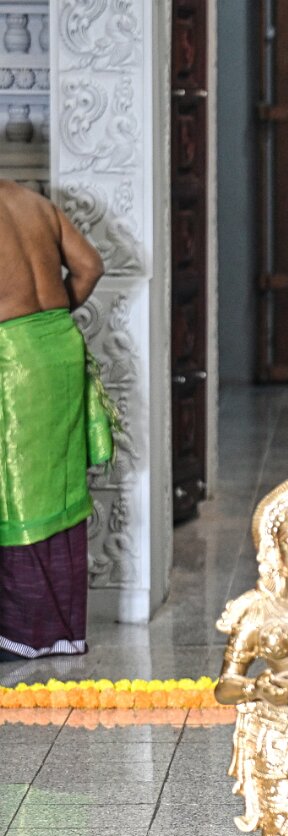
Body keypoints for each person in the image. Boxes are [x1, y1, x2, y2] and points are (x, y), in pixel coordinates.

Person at [0, 180, 105, 660]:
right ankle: (63, 631)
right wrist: (47, 318)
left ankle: (22, 633)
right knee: (60, 484)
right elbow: (90, 267)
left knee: (17, 489)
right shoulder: (35, 203)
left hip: (13, 357)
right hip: (61, 346)